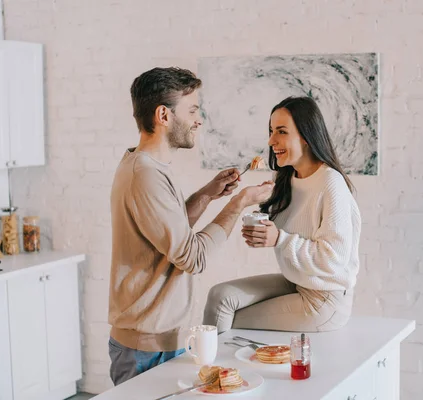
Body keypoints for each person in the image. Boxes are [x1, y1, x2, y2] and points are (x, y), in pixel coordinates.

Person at [108, 67, 274, 385]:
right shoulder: (146, 175)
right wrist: (238, 203)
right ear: (163, 115)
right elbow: (192, 256)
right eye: (193, 110)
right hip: (145, 350)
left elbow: (168, 233)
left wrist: (207, 194)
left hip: (154, 343)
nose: (198, 120)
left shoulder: (146, 166)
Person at [203, 96, 361, 334]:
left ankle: (218, 372)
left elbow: (333, 260)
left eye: (281, 131)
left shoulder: (331, 183)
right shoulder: (288, 178)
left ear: (306, 137)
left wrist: (279, 238)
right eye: (270, 130)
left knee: (225, 314)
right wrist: (261, 216)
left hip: (324, 298)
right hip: (297, 281)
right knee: (220, 296)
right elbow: (288, 228)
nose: (271, 140)